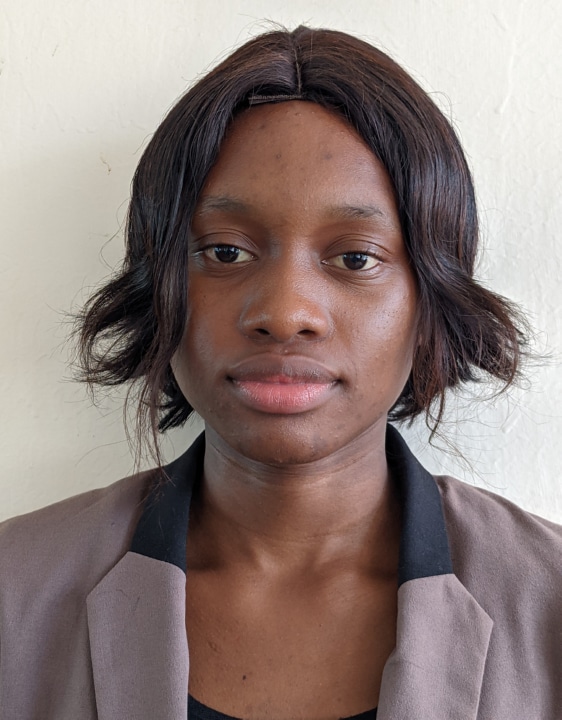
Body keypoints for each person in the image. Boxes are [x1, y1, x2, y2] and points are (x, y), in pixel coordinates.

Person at [0, 25, 560, 720]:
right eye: (225, 252)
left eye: (355, 258)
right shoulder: (14, 592)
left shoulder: (550, 603)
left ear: (430, 299)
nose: (286, 313)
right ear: (159, 284)